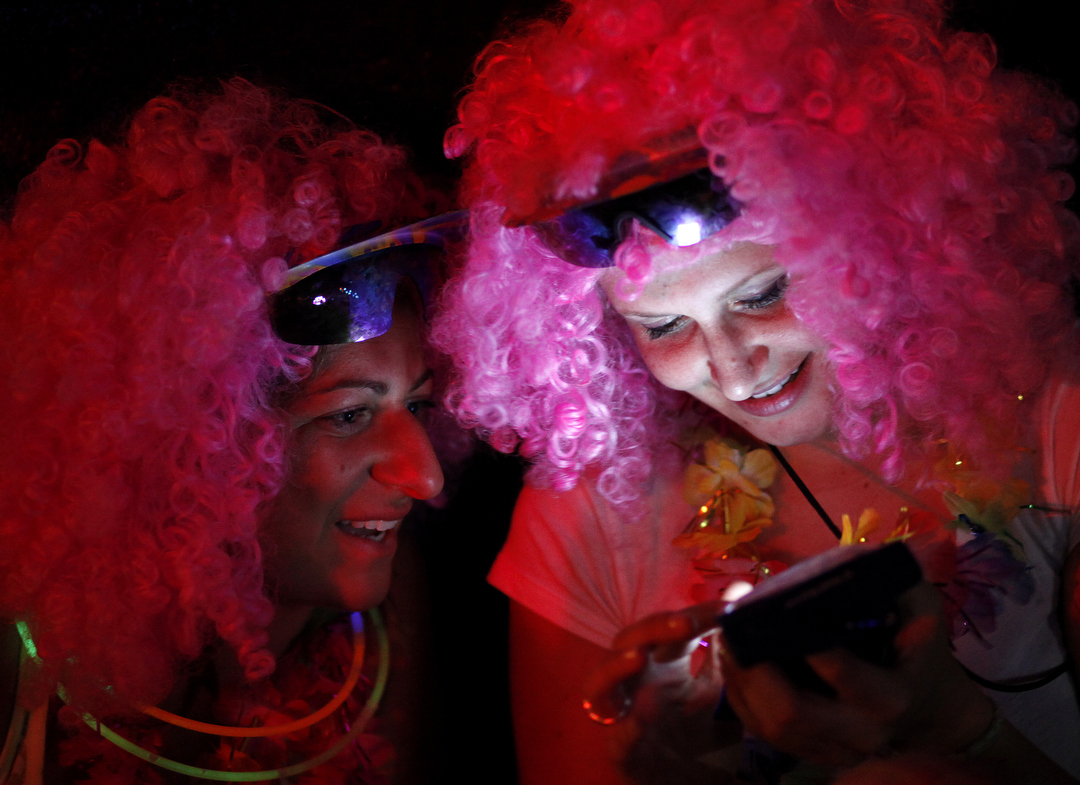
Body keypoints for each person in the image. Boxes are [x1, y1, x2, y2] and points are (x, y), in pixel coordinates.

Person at [430, 0, 1080, 782]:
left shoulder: (1056, 418)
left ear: (873, 239)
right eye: (663, 326)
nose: (735, 370)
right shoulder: (590, 514)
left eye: (762, 293)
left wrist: (953, 731)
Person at [0, 80, 455, 784]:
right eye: (348, 415)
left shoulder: (393, 619)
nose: (425, 476)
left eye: (418, 407)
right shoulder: (23, 668)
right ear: (190, 446)